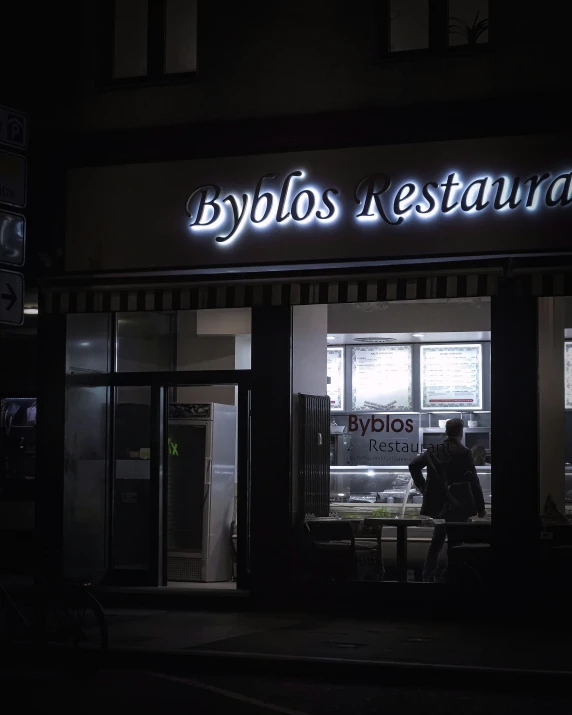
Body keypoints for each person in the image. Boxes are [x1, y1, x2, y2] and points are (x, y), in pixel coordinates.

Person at [408, 418, 486, 582]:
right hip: (459, 503)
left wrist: (424, 489)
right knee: (456, 541)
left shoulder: (433, 450)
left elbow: (413, 466)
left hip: (438, 503)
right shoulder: (464, 452)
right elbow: (474, 480)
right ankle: (452, 575)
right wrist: (480, 507)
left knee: (437, 540)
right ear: (460, 432)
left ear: (446, 431)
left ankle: (428, 575)